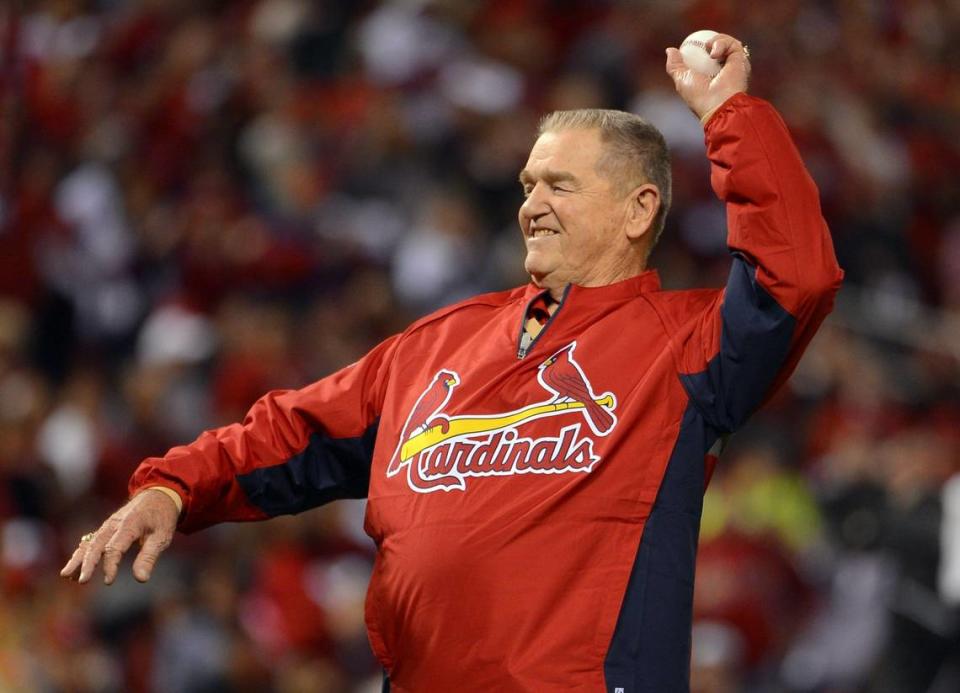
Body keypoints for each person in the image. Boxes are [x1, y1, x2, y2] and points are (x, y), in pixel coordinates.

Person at [61, 34, 843, 691]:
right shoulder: (437, 343)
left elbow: (795, 276)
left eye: (559, 184)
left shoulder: (686, 345)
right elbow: (291, 432)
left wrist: (730, 118)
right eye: (527, 183)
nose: (529, 204)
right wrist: (173, 485)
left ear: (639, 209)